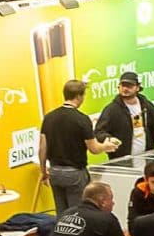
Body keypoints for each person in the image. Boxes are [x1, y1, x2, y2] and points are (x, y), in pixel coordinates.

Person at [41, 77, 109, 214]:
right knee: (78, 214)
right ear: (79, 96)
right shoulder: (82, 119)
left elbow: (42, 148)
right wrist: (106, 146)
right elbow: (94, 149)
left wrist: (43, 171)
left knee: (61, 214)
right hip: (75, 174)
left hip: (55, 171)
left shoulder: (48, 118)